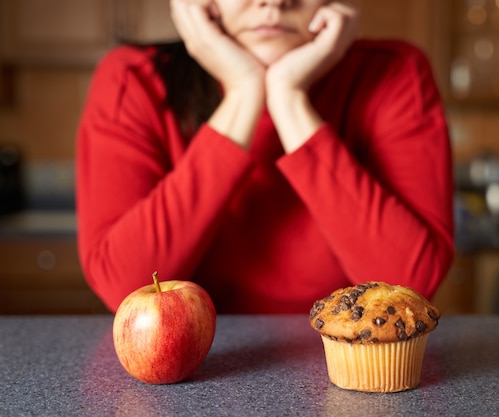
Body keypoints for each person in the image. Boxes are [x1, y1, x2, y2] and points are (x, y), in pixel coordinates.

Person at [76, 0, 454, 314]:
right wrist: (244, 92)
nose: (273, 2)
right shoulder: (131, 80)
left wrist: (289, 99)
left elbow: (410, 287)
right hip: (189, 371)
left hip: (348, 365)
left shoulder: (395, 74)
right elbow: (124, 286)